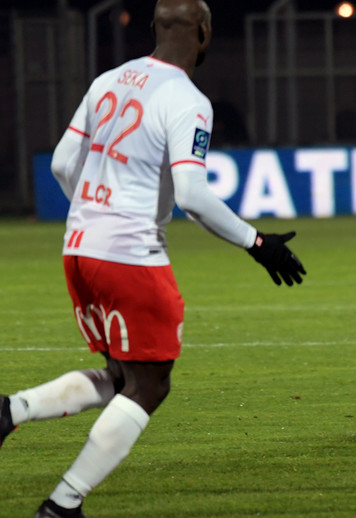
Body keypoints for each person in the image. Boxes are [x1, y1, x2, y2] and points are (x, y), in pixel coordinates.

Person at [0, 1, 306, 516]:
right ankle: (62, 505)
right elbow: (192, 195)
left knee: (124, 376)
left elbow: (60, 164)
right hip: (128, 253)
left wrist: (95, 213)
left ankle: (12, 410)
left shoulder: (107, 80)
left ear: (154, 29)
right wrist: (258, 242)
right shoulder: (188, 99)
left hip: (78, 247)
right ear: (204, 33)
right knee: (151, 384)